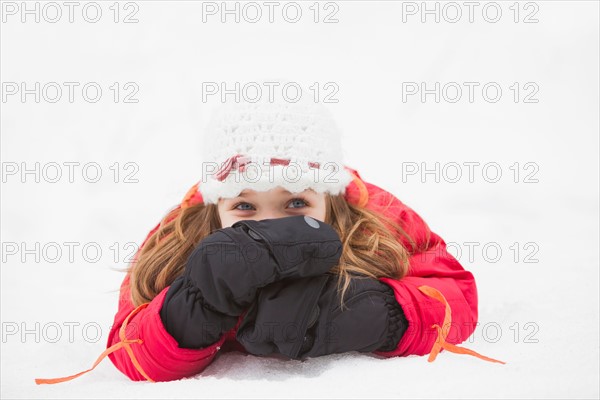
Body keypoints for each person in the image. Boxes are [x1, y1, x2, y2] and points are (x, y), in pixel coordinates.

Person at [35, 99, 504, 385]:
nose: (271, 222)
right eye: (244, 207)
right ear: (215, 207)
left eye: (296, 203)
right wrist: (192, 308)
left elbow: (454, 294)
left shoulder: (369, 214)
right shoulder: (184, 233)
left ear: (329, 199)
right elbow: (129, 345)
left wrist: (374, 315)